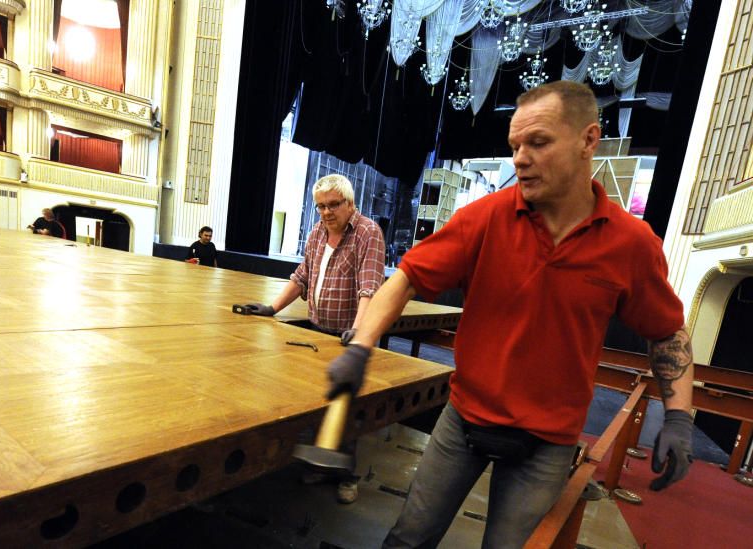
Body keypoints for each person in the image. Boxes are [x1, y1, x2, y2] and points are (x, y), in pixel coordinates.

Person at [324, 81, 695, 548]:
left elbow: (667, 333)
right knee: (408, 539)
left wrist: (678, 419)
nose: (520, 158)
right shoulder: (484, 218)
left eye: (538, 142)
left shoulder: (631, 244)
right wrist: (361, 346)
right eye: (515, 146)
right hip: (464, 419)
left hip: (547, 444)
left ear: (588, 140)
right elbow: (406, 278)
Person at [243, 173, 386, 503]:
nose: (326, 212)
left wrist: (360, 331)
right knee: (319, 401)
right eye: (320, 206)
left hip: (349, 339)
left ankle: (347, 476)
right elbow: (302, 277)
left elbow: (369, 288)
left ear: (350, 203)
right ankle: (323, 468)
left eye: (333, 205)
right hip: (320, 333)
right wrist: (272, 307)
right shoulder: (317, 233)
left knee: (348, 410)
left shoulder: (368, 233)